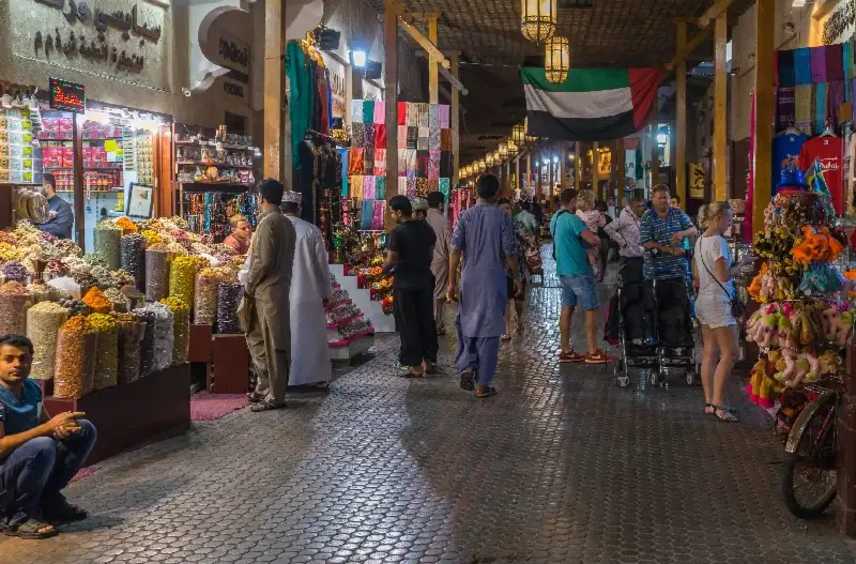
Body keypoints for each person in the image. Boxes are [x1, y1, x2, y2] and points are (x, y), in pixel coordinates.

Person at [0, 334, 96, 539]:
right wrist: (46, 430)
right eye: (9, 359)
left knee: (83, 429)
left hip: (26, 461)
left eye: (23, 358)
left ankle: (48, 500)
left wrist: (60, 427)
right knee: (42, 444)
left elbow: (44, 423)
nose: (17, 364)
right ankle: (18, 516)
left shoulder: (31, 387)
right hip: (3, 474)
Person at [448, 175, 519, 398]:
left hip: (469, 278)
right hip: (493, 277)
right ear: (497, 194)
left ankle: (467, 364)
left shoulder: (464, 216)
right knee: (489, 328)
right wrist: (516, 275)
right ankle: (482, 384)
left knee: (467, 320)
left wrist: (451, 282)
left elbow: (455, 251)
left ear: (476, 192)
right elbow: (510, 250)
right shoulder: (502, 217)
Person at [693, 202, 756, 423]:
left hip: (703, 301)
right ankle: (719, 404)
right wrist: (743, 264)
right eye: (728, 219)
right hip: (718, 302)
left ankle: (710, 401)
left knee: (710, 353)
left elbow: (696, 274)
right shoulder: (719, 242)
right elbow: (724, 275)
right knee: (730, 354)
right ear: (718, 217)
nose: (730, 223)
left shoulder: (700, 240)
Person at [244, 179, 296, 412]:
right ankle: (267, 383)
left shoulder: (269, 223)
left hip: (268, 289)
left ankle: (275, 395)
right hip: (278, 287)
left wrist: (250, 283)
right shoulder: (286, 223)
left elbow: (263, 261)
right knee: (259, 335)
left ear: (261, 198)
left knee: (273, 341)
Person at [281, 191, 333, 387]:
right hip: (307, 292)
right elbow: (321, 265)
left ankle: (283, 378)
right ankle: (315, 377)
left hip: (280, 292)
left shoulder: (272, 229)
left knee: (284, 336)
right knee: (309, 336)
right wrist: (326, 292)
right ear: (299, 208)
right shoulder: (311, 231)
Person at [383, 196, 438, 377]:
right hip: (424, 281)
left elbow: (391, 259)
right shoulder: (426, 228)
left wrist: (383, 270)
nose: (391, 216)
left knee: (408, 323)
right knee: (425, 320)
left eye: (392, 212)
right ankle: (428, 359)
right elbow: (430, 253)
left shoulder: (397, 232)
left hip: (405, 283)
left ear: (399, 212)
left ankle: (413, 364)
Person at [551, 188, 608, 364]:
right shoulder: (573, 219)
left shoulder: (555, 218)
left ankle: (566, 349)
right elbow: (592, 239)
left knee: (567, 308)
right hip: (580, 270)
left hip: (563, 270)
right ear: (573, 200)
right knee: (591, 308)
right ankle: (592, 350)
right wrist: (598, 241)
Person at [640, 185, 697, 283]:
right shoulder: (647, 217)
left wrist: (682, 233)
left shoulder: (678, 212)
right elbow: (646, 242)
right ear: (653, 200)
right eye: (659, 198)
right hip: (656, 275)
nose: (663, 200)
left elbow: (694, 230)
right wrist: (671, 250)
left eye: (665, 197)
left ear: (669, 199)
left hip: (679, 272)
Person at [498, 198, 527, 340]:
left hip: (519, 267)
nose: (505, 211)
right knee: (506, 300)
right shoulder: (495, 227)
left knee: (518, 301)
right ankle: (506, 329)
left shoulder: (518, 225)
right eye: (502, 208)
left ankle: (519, 320)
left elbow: (530, 241)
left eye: (507, 208)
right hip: (503, 269)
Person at [426, 192, 451, 335]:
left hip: (424, 260)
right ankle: (436, 322)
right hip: (440, 261)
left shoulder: (424, 218)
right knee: (438, 293)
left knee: (429, 292)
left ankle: (437, 322)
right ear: (441, 204)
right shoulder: (443, 220)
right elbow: (450, 245)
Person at [604, 195, 645, 280]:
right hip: (627, 258)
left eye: (642, 206)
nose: (641, 208)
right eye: (639, 206)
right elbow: (608, 228)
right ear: (632, 206)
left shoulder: (643, 217)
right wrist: (622, 241)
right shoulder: (625, 218)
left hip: (641, 257)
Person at [575, 190, 606, 281]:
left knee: (587, 255)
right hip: (594, 236)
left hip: (582, 236)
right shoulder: (596, 213)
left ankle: (590, 271)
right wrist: (602, 215)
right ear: (590, 202)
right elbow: (602, 224)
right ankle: (595, 270)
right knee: (593, 255)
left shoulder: (578, 213)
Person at [37, 174, 73, 239]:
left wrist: (36, 227)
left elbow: (61, 228)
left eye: (38, 186)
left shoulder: (63, 206)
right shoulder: (38, 205)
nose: (35, 189)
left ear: (47, 187)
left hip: (58, 247)